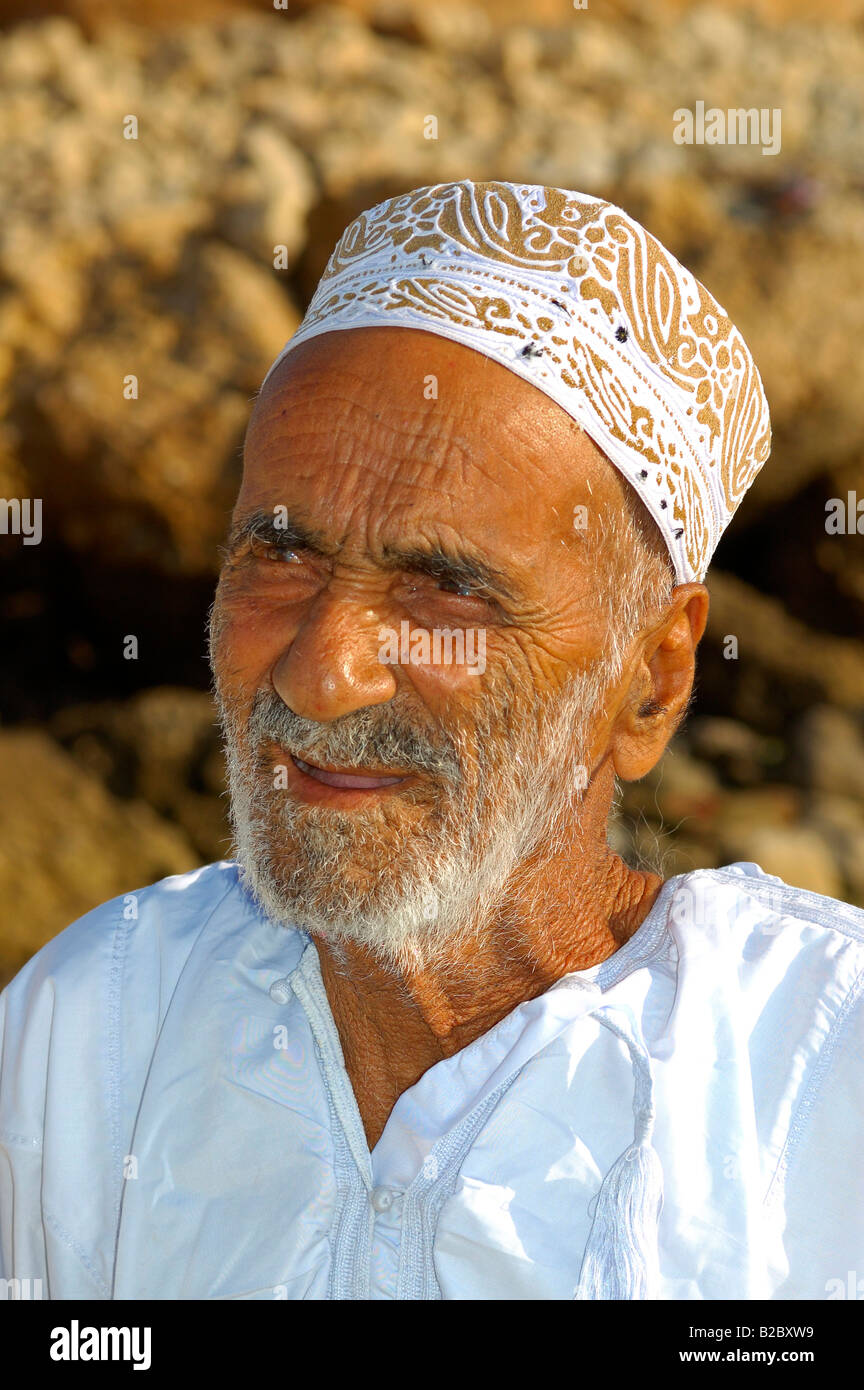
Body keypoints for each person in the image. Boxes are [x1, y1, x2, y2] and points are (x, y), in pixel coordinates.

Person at [1, 181, 861, 1301]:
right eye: (281, 552)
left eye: (446, 587)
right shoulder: (95, 1029)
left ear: (651, 682)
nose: (321, 670)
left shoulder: (816, 1072)